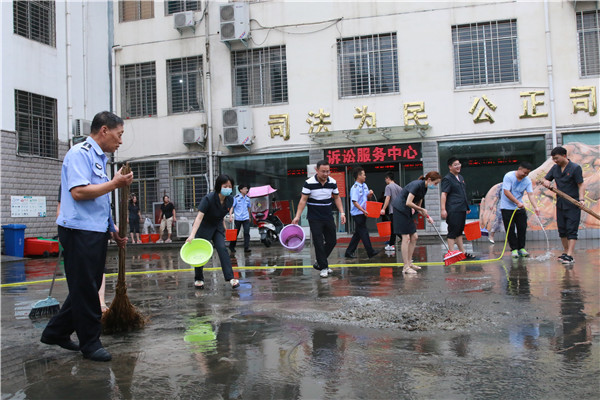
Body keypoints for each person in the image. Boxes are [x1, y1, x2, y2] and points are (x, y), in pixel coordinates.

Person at [41, 111, 132, 362]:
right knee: (86, 290)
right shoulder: (79, 154)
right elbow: (80, 192)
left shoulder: (100, 158)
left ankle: (55, 332)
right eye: (119, 134)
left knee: (86, 287)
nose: (120, 141)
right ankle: (90, 343)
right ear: (104, 130)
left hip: (95, 230)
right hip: (78, 230)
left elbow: (100, 199)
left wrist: (111, 228)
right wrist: (115, 184)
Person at [57, 186, 110, 312]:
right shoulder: (72, 179)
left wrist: (111, 226)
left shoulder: (99, 180)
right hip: (79, 232)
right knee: (81, 280)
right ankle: (56, 329)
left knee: (98, 271)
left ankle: (100, 300)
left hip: (98, 231)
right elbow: (61, 207)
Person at [292, 160, 346, 278]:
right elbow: (303, 200)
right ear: (316, 170)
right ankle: (323, 267)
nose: (326, 174)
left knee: (332, 241)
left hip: (328, 216)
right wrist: (297, 216)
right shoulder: (309, 183)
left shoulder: (332, 182)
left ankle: (320, 263)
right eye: (323, 171)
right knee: (318, 242)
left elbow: (337, 198)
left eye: (328, 171)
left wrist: (342, 213)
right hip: (314, 217)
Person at [186, 174, 240, 289]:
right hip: (204, 227)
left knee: (222, 248)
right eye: (225, 186)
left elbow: (221, 215)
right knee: (200, 253)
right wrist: (192, 235)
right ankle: (199, 279)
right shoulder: (208, 199)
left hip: (217, 227)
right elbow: (199, 217)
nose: (228, 188)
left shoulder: (230, 200)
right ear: (219, 186)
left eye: (230, 186)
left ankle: (230, 278)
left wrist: (224, 227)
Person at [542, 146, 584, 265]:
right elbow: (546, 179)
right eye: (553, 159)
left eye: (556, 158)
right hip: (560, 203)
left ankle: (570, 255)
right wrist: (546, 182)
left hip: (573, 203)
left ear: (564, 155)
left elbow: (581, 184)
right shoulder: (555, 168)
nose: (555, 161)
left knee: (571, 229)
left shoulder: (575, 168)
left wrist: (581, 199)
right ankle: (566, 252)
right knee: (562, 229)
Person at [392, 172, 441, 274]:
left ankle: (409, 263)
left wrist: (427, 217)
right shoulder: (416, 185)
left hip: (407, 211)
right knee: (406, 237)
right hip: (400, 209)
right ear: (429, 180)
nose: (435, 186)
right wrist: (422, 209)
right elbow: (408, 202)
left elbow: (419, 207)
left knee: (414, 237)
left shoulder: (424, 188)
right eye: (435, 183)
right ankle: (405, 267)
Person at [500, 161, 540, 258]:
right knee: (510, 229)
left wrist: (536, 207)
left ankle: (521, 248)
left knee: (522, 227)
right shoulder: (509, 176)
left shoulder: (527, 180)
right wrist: (517, 202)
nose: (525, 175)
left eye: (527, 173)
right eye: (524, 172)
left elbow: (530, 194)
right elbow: (506, 192)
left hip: (519, 208)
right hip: (507, 207)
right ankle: (514, 249)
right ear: (519, 169)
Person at [440, 157, 475, 259]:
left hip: (461, 208)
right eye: (455, 165)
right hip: (453, 208)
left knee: (459, 230)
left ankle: (462, 253)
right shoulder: (447, 179)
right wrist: (443, 209)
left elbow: (463, 193)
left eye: (459, 164)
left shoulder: (460, 177)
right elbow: (444, 194)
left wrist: (467, 206)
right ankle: (451, 253)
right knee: (453, 230)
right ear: (450, 167)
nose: (458, 166)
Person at [344, 166, 380, 260]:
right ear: (359, 176)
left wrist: (370, 194)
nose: (365, 176)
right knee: (363, 232)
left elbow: (367, 198)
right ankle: (370, 251)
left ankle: (349, 252)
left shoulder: (364, 185)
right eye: (363, 175)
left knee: (358, 233)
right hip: (358, 213)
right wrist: (363, 211)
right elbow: (354, 202)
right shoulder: (355, 188)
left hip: (364, 212)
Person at [380, 172, 402, 251]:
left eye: (385, 179)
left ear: (388, 178)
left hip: (393, 210)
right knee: (393, 228)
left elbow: (387, 198)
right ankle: (391, 244)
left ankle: (404, 238)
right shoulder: (399, 187)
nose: (385, 180)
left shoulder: (388, 187)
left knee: (394, 228)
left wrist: (383, 208)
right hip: (399, 210)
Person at [228, 184, 252, 254]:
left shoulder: (247, 198)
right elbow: (232, 207)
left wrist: (249, 216)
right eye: (245, 188)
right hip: (238, 218)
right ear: (241, 190)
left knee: (246, 233)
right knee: (236, 233)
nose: (246, 190)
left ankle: (246, 247)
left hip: (246, 218)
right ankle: (232, 246)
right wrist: (230, 216)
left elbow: (249, 208)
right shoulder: (236, 198)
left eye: (247, 189)